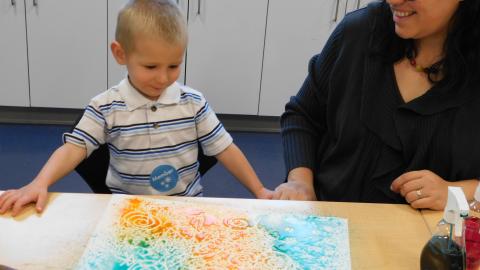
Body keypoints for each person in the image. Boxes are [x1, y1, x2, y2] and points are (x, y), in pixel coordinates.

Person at [0, 0, 273, 217]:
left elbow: (224, 148)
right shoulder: (106, 107)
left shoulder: (194, 103)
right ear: (121, 54)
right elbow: (74, 148)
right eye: (151, 67)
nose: (164, 78)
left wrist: (259, 190)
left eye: (174, 65)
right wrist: (39, 182)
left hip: (186, 212)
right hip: (126, 213)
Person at [273, 0, 480, 210]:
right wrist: (300, 181)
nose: (393, 1)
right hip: (327, 226)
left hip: (427, 238)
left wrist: (457, 192)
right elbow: (303, 114)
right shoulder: (360, 31)